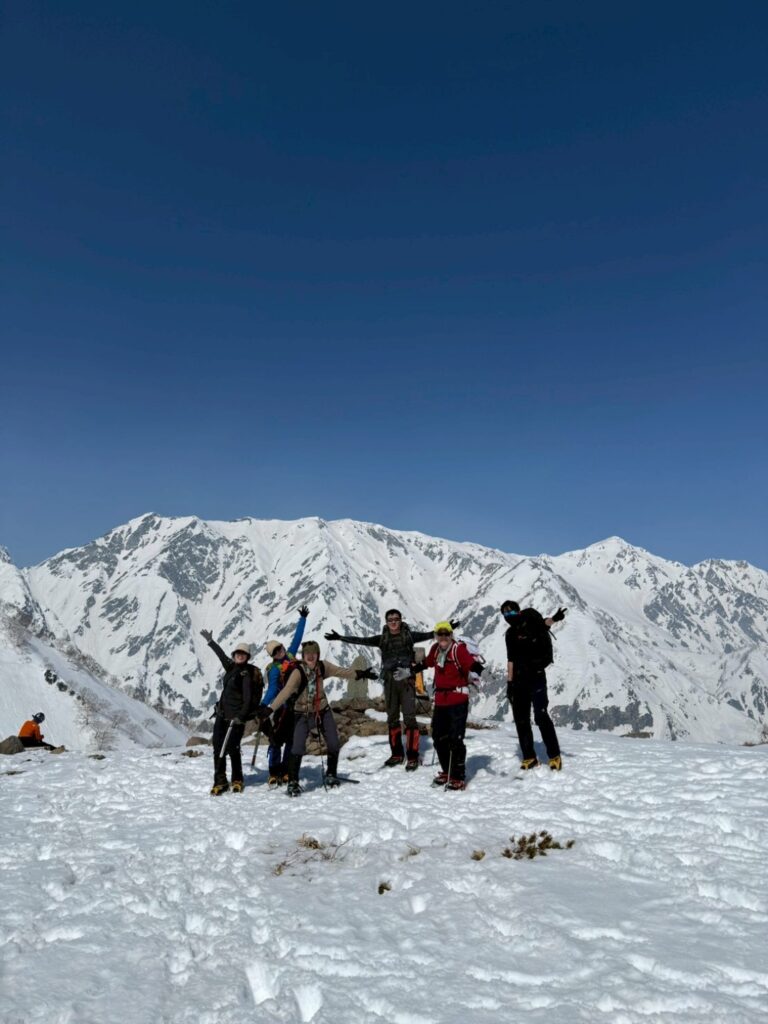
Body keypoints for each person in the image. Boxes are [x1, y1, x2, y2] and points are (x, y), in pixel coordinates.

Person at [325, 609, 452, 770]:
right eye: (390, 619)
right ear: (386, 622)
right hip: (390, 681)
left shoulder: (409, 635)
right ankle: (397, 754)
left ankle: (412, 756)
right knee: (392, 717)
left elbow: (430, 634)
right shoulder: (382, 639)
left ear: (400, 620)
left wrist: (447, 629)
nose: (393, 622)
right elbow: (361, 640)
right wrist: (341, 638)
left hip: (406, 680)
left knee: (409, 718)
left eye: (396, 619)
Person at [258, 639, 377, 796]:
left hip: (323, 711)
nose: (310, 656)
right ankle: (293, 781)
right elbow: (286, 691)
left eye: (313, 653)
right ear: (304, 655)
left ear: (318, 654)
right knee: (298, 747)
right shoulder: (297, 672)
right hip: (302, 714)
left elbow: (341, 671)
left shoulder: (323, 666)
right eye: (307, 654)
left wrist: (359, 674)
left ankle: (331, 774)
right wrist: (270, 709)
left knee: (334, 743)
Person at [501, 600, 566, 771]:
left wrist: (555, 618)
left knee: (541, 715)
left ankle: (554, 755)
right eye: (505, 614)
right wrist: (509, 683)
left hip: (536, 677)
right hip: (519, 680)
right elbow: (511, 660)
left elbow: (544, 624)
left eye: (511, 612)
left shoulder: (530, 621)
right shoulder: (510, 634)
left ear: (518, 611)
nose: (508, 616)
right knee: (521, 719)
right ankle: (529, 757)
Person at [422, 622, 485, 791]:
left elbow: (470, 663)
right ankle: (447, 770)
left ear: (451, 635)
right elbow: (426, 663)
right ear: (435, 635)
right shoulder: (435, 649)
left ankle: (458, 776)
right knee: (437, 736)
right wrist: (412, 669)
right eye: (439, 634)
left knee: (455, 738)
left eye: (446, 634)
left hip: (457, 700)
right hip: (441, 700)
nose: (443, 637)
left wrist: (480, 669)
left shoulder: (458, 650)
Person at [200, 630, 264, 795]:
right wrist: (211, 641)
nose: (240, 656)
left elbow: (248, 699)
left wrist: (241, 717)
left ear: (247, 657)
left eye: (243, 654)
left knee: (233, 748)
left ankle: (237, 779)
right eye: (238, 653)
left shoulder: (246, 675)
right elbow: (221, 655)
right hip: (221, 715)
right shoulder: (231, 667)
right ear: (234, 655)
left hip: (236, 719)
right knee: (217, 748)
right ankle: (219, 780)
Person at [261, 604, 309, 787]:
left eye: (279, 648)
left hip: (294, 706)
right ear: (272, 655)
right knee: (276, 740)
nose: (279, 651)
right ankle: (274, 771)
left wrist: (303, 619)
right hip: (281, 707)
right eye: (275, 651)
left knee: (290, 739)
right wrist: (264, 705)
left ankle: (286, 769)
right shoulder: (274, 670)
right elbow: (272, 690)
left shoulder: (290, 655)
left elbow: (298, 637)